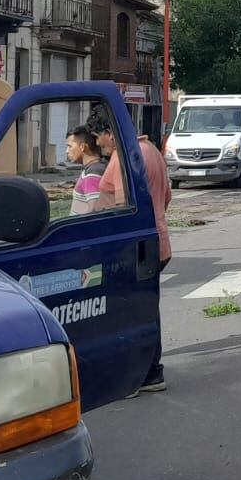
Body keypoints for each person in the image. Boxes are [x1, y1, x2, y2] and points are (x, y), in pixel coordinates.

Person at [97, 121, 172, 394]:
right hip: (158, 241)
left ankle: (135, 375)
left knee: (127, 311)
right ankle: (152, 372)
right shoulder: (151, 150)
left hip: (132, 247)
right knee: (147, 308)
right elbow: (166, 197)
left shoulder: (123, 157)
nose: (99, 144)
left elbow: (119, 206)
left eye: (99, 137)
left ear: (110, 133)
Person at [66, 125, 107, 216]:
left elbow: (95, 212)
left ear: (82, 147)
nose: (67, 151)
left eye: (69, 146)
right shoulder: (95, 168)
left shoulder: (92, 174)